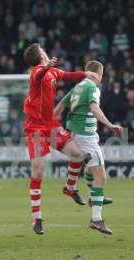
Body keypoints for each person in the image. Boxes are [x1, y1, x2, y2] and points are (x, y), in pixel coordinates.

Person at [23, 43, 99, 235]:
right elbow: (39, 75)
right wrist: (46, 67)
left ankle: (70, 188)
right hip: (36, 129)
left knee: (78, 156)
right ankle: (37, 219)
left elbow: (68, 76)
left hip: (51, 125)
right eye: (43, 51)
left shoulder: (53, 72)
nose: (46, 53)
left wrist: (86, 74)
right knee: (38, 171)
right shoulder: (36, 73)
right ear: (40, 56)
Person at [54, 61, 122, 235]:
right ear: (97, 74)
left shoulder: (77, 87)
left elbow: (59, 108)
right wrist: (109, 124)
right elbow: (94, 108)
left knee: (91, 171)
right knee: (101, 177)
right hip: (86, 136)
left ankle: (93, 197)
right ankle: (96, 220)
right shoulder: (92, 87)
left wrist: (51, 127)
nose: (101, 78)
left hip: (75, 134)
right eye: (101, 74)